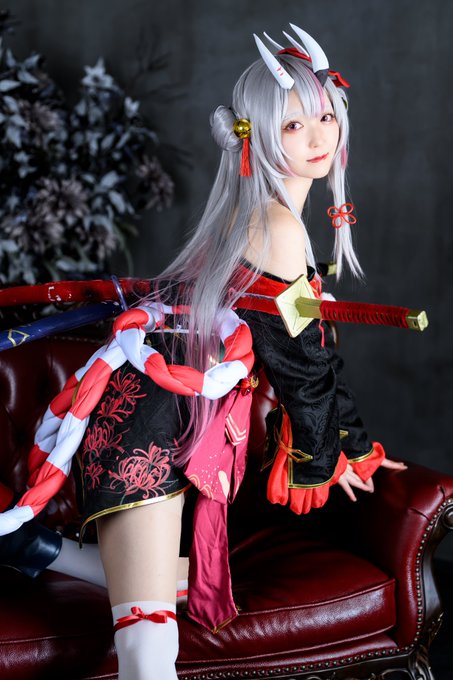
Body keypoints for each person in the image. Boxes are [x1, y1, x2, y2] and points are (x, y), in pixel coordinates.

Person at [0, 24, 407, 680]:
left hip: (175, 422)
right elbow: (301, 362)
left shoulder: (268, 219)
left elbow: (309, 345)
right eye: (293, 124)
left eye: (326, 117)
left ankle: (32, 546)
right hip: (147, 426)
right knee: (148, 651)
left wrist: (352, 446)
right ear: (252, 137)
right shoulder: (275, 225)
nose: (318, 137)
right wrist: (328, 453)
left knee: (179, 590)